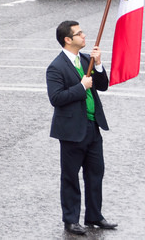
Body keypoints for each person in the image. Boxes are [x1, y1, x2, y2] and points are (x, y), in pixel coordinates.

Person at [47, 20, 116, 235]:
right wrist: (80, 87)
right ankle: (71, 220)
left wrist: (98, 65)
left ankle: (94, 216)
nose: (84, 36)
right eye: (79, 33)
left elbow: (103, 85)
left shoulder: (85, 60)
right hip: (71, 131)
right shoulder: (56, 67)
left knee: (96, 173)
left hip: (92, 127)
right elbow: (56, 98)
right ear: (68, 40)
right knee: (70, 176)